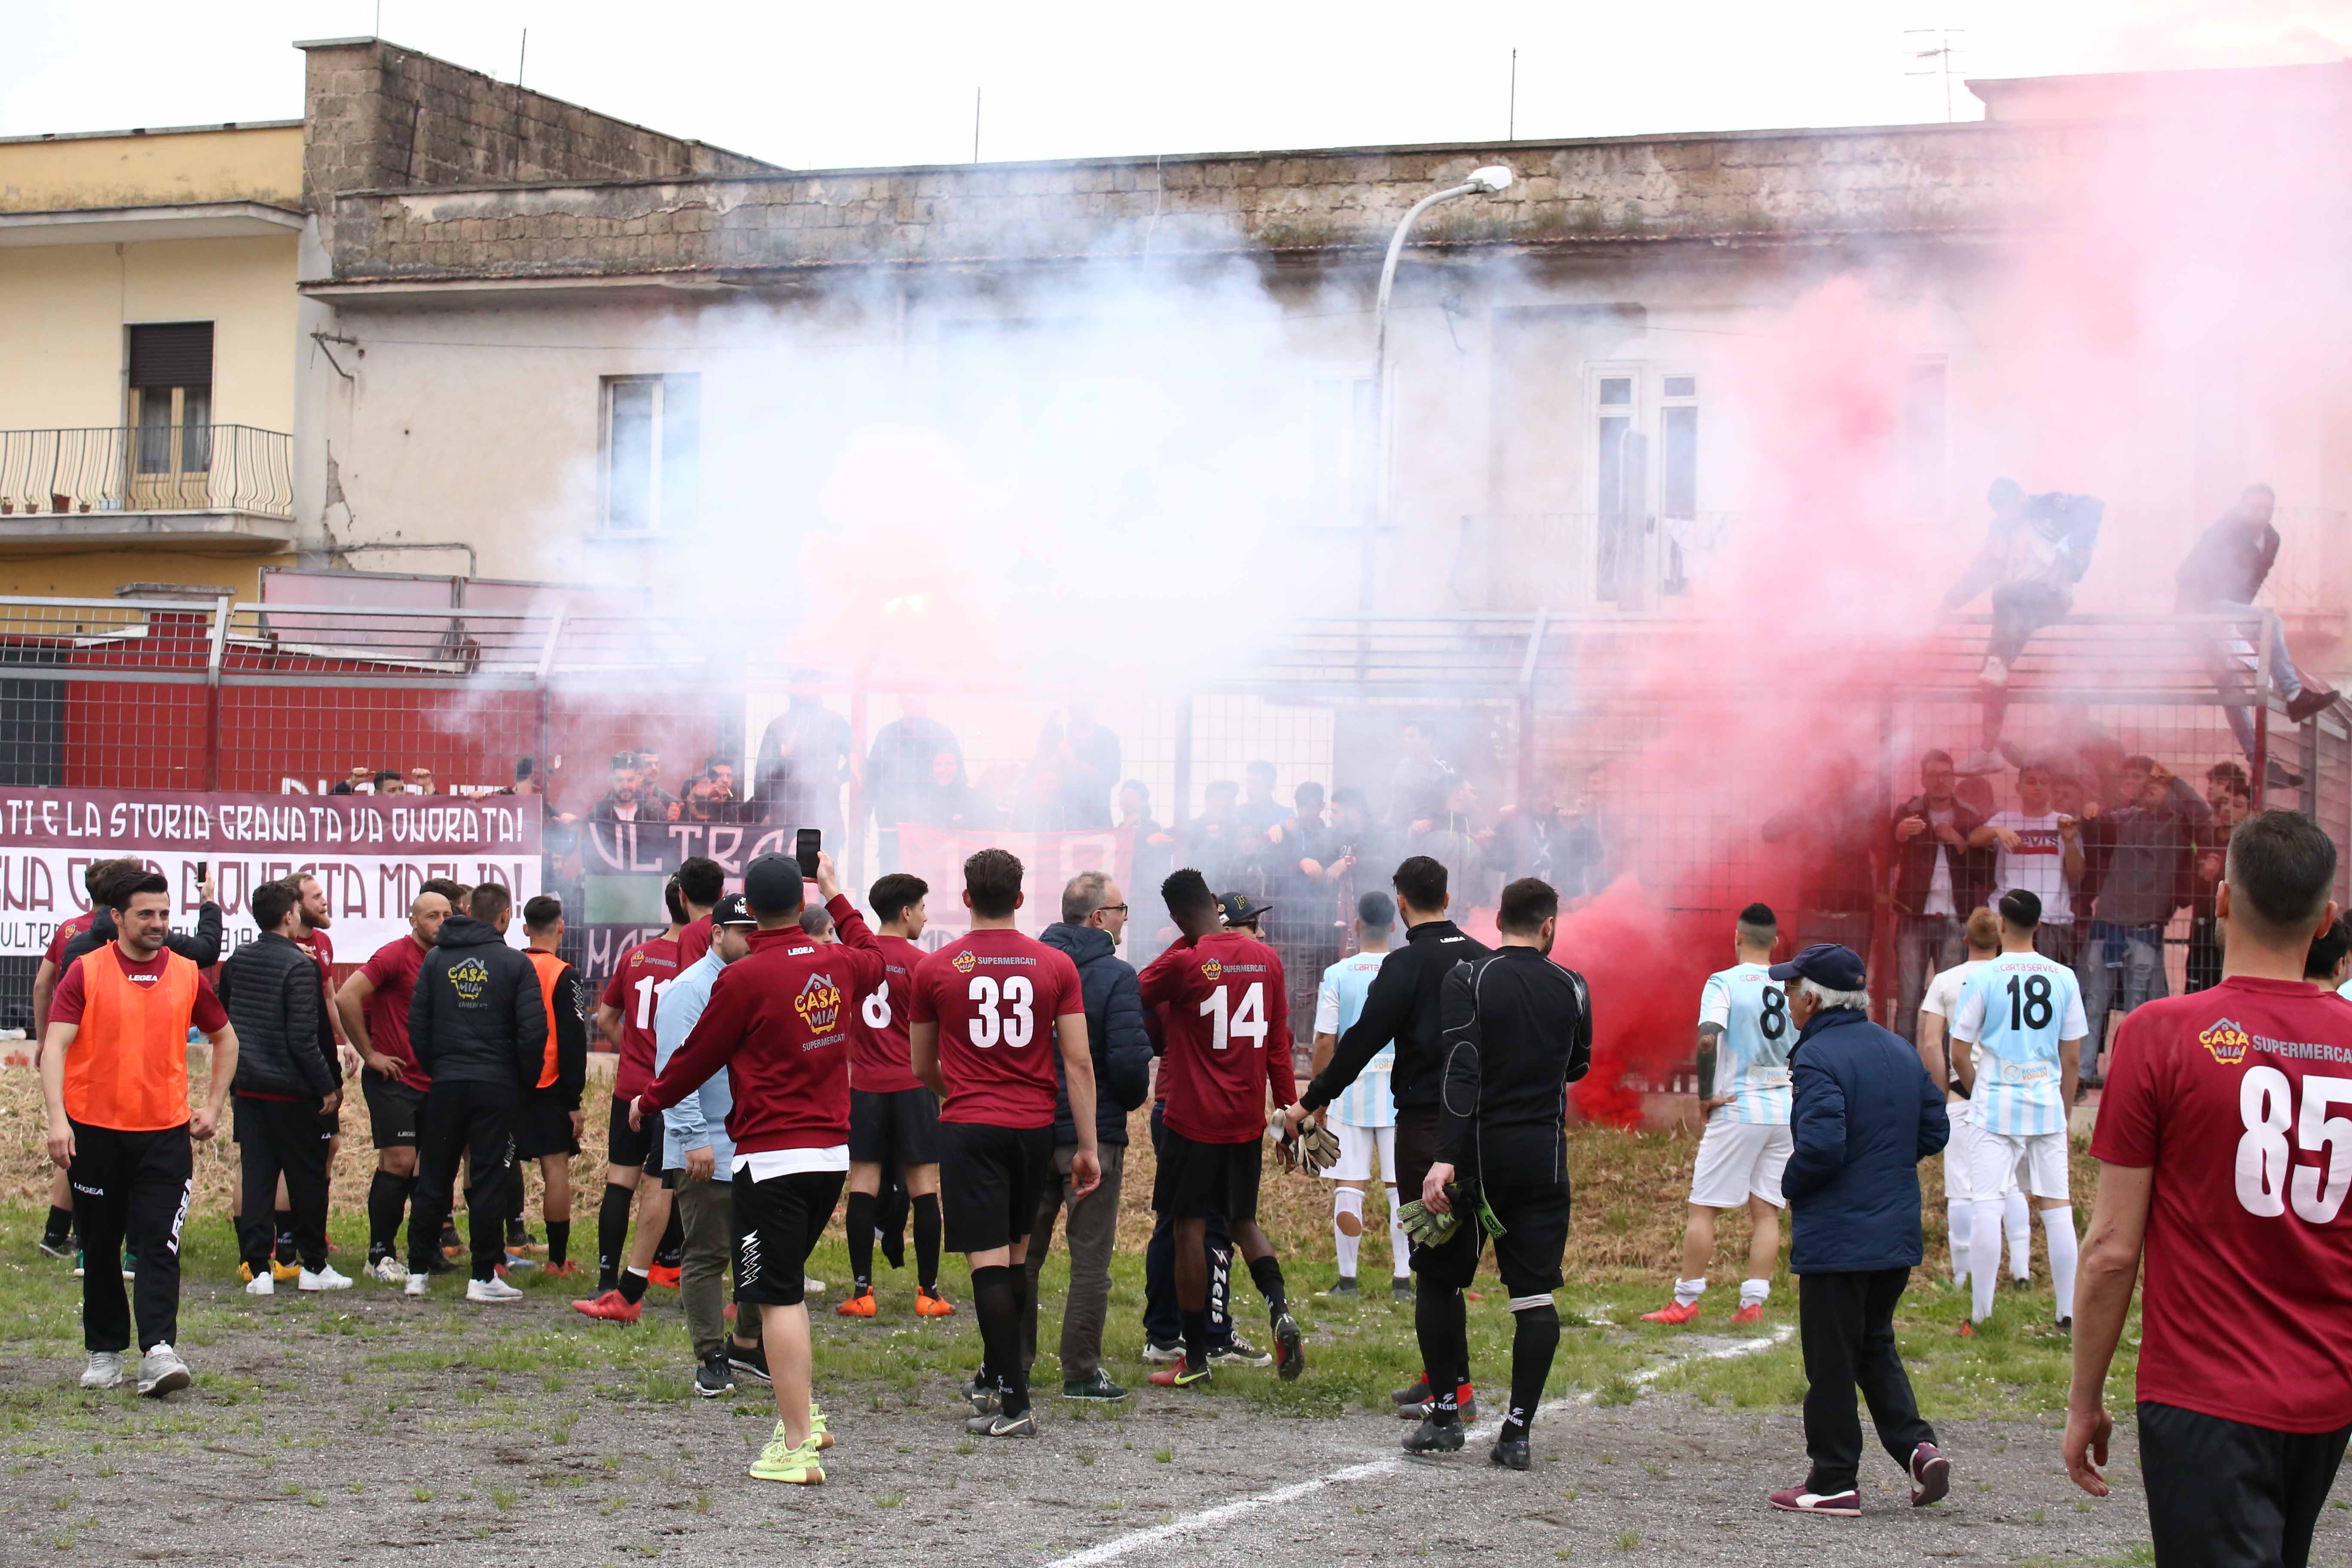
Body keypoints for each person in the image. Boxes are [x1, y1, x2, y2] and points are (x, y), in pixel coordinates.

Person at [2065, 809, 2352, 1567]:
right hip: (2327, 1393)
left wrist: (2082, 1397)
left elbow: (2109, 1249)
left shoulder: (2160, 1032)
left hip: (2203, 1392)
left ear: (2220, 900)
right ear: (2325, 919)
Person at [634, 852, 877, 1483]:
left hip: (771, 1158)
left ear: (750, 911)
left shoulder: (741, 979)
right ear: (802, 906)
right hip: (830, 1154)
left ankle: (796, 1444)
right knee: (785, 1284)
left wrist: (650, 1100)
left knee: (776, 1297)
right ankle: (807, 1417)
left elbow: (693, 1058)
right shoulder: (837, 960)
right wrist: (839, 893)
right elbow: (876, 960)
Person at [1285, 855, 1494, 1419]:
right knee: (1447, 1261)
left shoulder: (1402, 968)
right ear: (1447, 900)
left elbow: (1357, 1044)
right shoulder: (1482, 958)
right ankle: (1441, 1376)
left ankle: (1456, 1394)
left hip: (1426, 1125)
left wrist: (1310, 1100)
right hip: (1477, 1127)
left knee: (1433, 1267)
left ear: (1402, 904)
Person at [909, 849, 1101, 1439]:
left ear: (966, 899)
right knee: (1016, 1259)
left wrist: (960, 1092)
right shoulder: (1055, 966)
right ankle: (1001, 1380)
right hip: (1033, 1127)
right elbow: (1078, 1062)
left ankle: (1013, 1398)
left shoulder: (936, 968)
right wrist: (1087, 1147)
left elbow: (922, 1065)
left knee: (988, 1265)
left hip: (971, 1125)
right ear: (1021, 900)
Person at [1415, 876, 1593, 1467]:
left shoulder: (1469, 977)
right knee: (1534, 1295)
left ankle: (1443, 1416)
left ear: (1497, 920)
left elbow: (1462, 1068)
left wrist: (1445, 1155)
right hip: (1542, 1160)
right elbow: (1578, 1066)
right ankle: (1516, 1433)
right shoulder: (1574, 986)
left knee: (1441, 1281)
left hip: (1474, 1162)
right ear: (1549, 927)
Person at [1769, 942, 1951, 1517]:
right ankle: (1918, 1449)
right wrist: (1885, 1163)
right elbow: (1934, 1129)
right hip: (1893, 1232)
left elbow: (1822, 1146)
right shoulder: (1898, 1049)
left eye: (1793, 990)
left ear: (1814, 998)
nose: (1789, 1000)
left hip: (1838, 1237)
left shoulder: (1817, 1057)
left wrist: (1791, 1183)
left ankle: (1833, 1479)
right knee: (1874, 1346)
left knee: (1830, 1358)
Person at [41, 870, 238, 1397]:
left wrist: (214, 1105)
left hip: (164, 1136)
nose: (158, 924)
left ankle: (158, 1352)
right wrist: (58, 1120)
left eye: (165, 914)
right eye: (146, 914)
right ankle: (104, 1352)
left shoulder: (187, 973)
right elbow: (55, 1048)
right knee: (100, 1247)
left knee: (158, 1243)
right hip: (96, 1133)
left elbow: (226, 1040)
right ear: (118, 918)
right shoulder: (85, 971)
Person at [1137, 869, 1304, 1390]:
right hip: (1244, 1119)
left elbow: (1140, 987)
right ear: (1214, 900)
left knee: (1188, 1226)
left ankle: (1196, 1356)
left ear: (1175, 919)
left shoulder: (1185, 963)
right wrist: (1291, 1111)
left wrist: (1187, 941)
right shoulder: (1267, 959)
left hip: (1191, 1120)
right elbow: (1279, 1044)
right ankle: (1279, 1310)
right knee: (1242, 1222)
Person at [1024, 871, 1153, 1400]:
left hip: (1028, 1127)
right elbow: (1127, 1067)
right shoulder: (1118, 976)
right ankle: (1080, 1370)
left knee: (1021, 1258)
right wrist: (1123, 1104)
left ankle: (1011, 1364)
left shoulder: (1030, 965)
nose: (1125, 919)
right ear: (1099, 918)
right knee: (1090, 1260)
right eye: (1122, 910)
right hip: (1091, 1135)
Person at [1642, 903, 1792, 1327]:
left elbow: (1708, 1039)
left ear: (1737, 937)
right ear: (1776, 942)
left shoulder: (1722, 982)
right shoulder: (1792, 984)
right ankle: (1753, 1304)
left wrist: (1706, 1094)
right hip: (1783, 1107)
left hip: (1738, 1106)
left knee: (1703, 1209)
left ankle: (1686, 1300)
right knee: (1766, 1212)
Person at [1948, 889, 2088, 1333]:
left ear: (2003, 926)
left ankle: (1981, 1315)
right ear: (2040, 927)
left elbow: (1957, 1052)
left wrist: (1978, 1092)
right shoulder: (2064, 977)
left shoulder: (1984, 978)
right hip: (2045, 1102)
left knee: (1987, 1203)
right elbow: (2071, 1061)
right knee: (2056, 1207)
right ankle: (2067, 1314)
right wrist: (2062, 1113)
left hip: (1995, 1103)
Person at [648, 892, 769, 1398]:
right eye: (744, 933)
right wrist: (694, 1139)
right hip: (706, 1145)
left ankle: (746, 1343)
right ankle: (710, 1353)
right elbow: (674, 1072)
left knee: (756, 1251)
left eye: (757, 933)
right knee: (707, 1253)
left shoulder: (754, 981)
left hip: (750, 1144)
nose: (751, 942)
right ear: (717, 933)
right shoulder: (690, 989)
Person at [404, 881, 545, 1303]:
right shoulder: (515, 965)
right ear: (504, 917)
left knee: (434, 1175)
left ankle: (416, 1272)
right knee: (487, 1179)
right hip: (495, 1086)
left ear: (467, 910)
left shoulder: (434, 960)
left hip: (445, 1083)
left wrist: (439, 1068)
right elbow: (533, 1033)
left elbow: (418, 1026)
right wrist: (522, 1082)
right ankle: (483, 1276)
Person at [219, 879, 349, 1296]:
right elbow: (304, 1038)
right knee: (307, 1179)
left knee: (257, 1177)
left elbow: (225, 1019)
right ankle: (313, 1265)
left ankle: (258, 1270)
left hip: (250, 1090)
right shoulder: (300, 965)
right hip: (293, 1092)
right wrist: (327, 1086)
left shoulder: (238, 960)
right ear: (290, 916)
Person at [839, 873, 955, 1320]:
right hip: (914, 1087)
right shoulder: (924, 963)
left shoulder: (854, 959)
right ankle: (928, 1293)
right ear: (906, 912)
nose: (926, 917)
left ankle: (863, 1293)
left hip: (864, 1087)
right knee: (924, 1188)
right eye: (923, 908)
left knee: (863, 1185)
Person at [2178, 483, 2340, 780]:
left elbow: (2252, 582)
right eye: (2255, 507)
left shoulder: (2272, 539)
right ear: (2242, 507)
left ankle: (2259, 764)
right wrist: (2202, 609)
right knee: (2271, 622)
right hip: (2202, 612)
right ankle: (2294, 695)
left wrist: (2238, 619)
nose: (2261, 514)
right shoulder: (2224, 531)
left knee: (2232, 687)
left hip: (2228, 613)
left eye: (2267, 509)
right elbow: (2186, 575)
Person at [1942, 479, 2105, 774]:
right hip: (2015, 610)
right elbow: (1983, 569)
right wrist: (1950, 602)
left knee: (2004, 594)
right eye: (2002, 513)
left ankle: (1998, 666)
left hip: (2050, 598)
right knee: (1991, 675)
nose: (2009, 515)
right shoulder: (2001, 530)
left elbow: (2094, 505)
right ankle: (1988, 750)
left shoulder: (2050, 505)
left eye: (2011, 507)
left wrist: (2079, 553)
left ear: (2020, 496)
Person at [580, 882, 687, 1311]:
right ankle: (669, 1267)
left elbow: (605, 1019)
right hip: (675, 1090)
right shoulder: (698, 960)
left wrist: (636, 1051)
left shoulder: (636, 956)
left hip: (630, 1089)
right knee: (668, 1183)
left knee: (620, 1181)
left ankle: (607, 1275)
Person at [337, 888, 454, 1282]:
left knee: (429, 1169)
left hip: (435, 1081)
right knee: (400, 1162)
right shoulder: (394, 954)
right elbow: (346, 996)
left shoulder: (452, 959)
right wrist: (369, 1053)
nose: (441, 923)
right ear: (414, 920)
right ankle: (379, 1255)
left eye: (447, 915)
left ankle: (425, 1251)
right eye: (432, 916)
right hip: (393, 1077)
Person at [32, 856, 144, 1262]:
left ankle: (58, 1232)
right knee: (108, 1149)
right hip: (107, 1055)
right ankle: (100, 1242)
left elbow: (44, 983)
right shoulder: (122, 935)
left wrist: (45, 1040)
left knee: (76, 1147)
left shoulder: (68, 929)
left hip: (70, 1048)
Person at [1915, 908, 2030, 1296]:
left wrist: (1938, 1088)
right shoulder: (2013, 978)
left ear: (1965, 940)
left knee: (1962, 1186)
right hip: (2009, 1090)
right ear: (2000, 939)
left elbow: (1932, 1041)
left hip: (1963, 1093)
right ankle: (2020, 1268)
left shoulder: (1947, 982)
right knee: (2010, 1182)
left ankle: (1963, 1275)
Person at [2075, 757, 2209, 1081]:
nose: (2150, 791)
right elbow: (2095, 826)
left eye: (2156, 786)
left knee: (2139, 1009)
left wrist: (2175, 782)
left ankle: (2128, 1075)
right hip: (2106, 924)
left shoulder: (2179, 823)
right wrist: (2090, 811)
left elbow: (2203, 813)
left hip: (2146, 929)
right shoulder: (2123, 819)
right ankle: (2083, 1072)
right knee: (2093, 1001)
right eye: (2144, 785)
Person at [1310, 891, 1412, 1302]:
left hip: (1349, 1092)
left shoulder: (1337, 973)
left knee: (1349, 1184)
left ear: (1355, 926)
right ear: (1393, 926)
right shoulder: (1407, 970)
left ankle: (1348, 1282)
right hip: (1400, 1093)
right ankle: (1403, 1282)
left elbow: (1323, 1041)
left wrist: (1318, 1101)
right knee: (1400, 1187)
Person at [1889, 750, 1990, 1041]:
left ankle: (1947, 1065)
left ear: (1954, 778)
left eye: (1946, 774)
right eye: (1933, 775)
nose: (1941, 781)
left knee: (1952, 1000)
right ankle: (1903, 1063)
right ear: (1923, 779)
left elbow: (1986, 873)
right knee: (1908, 998)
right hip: (1913, 916)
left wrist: (1959, 842)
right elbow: (1886, 859)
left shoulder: (1970, 816)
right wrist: (1899, 836)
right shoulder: (1908, 812)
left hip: (1955, 919)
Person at [512, 896, 587, 1276]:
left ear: (525, 929)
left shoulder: (511, 966)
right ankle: (557, 1261)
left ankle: (497, 1255)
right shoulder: (565, 974)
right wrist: (574, 1100)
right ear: (561, 927)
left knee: (501, 1166)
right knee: (555, 1169)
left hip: (509, 1084)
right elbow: (575, 1041)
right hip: (550, 1084)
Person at [1970, 763, 2084, 964]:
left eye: (2044, 782)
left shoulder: (2064, 822)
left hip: (2051, 918)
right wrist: (1997, 831)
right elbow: (1974, 839)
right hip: (2007, 918)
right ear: (2018, 788)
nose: (2038, 787)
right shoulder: (2005, 819)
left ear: (2051, 788)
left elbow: (2077, 875)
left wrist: (2068, 840)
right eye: (2031, 782)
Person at [756, 672, 853, 846]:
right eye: (800, 685)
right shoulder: (779, 725)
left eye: (810, 684)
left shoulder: (835, 722)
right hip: (784, 813)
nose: (805, 690)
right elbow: (763, 772)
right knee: (784, 869)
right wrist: (763, 811)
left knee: (823, 868)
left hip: (824, 811)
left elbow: (856, 758)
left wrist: (837, 779)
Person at [867, 699, 963, 869]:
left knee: (928, 877)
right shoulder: (888, 734)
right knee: (891, 878)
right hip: (892, 823)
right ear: (901, 701)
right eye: (908, 697)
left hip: (933, 825)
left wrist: (956, 813)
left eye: (917, 697)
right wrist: (866, 811)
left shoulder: (941, 734)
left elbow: (958, 777)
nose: (914, 703)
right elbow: (873, 776)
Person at [1034, 703, 1121, 829]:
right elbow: (1040, 769)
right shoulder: (1058, 734)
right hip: (1058, 818)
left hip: (1096, 819)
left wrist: (1074, 763)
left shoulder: (1107, 738)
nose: (1078, 708)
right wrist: (1056, 759)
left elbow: (1111, 777)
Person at [590, 753, 651, 824]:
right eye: (619, 780)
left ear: (640, 780)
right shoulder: (598, 815)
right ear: (611, 781)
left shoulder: (652, 811)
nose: (625, 786)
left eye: (630, 780)